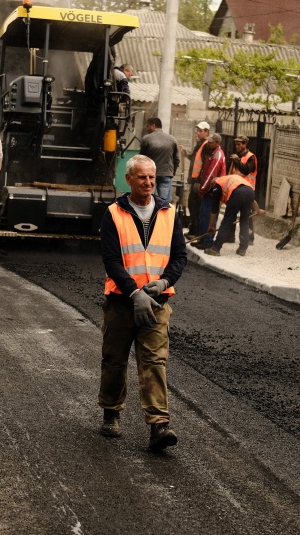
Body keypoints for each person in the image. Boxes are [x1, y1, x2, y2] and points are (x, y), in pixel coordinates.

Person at [99, 154, 187, 451]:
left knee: (154, 363)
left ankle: (159, 426)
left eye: (152, 177)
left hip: (157, 303)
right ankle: (111, 412)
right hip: (122, 302)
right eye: (142, 177)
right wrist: (134, 294)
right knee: (115, 360)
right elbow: (111, 260)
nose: (148, 182)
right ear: (129, 179)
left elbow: (179, 257)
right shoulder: (114, 213)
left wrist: (164, 283)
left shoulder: (170, 212)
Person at [203, 173, 256, 257]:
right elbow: (252, 200)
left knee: (227, 221)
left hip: (237, 194)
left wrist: (211, 226)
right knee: (244, 221)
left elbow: (214, 210)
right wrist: (258, 210)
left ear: (213, 184)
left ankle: (215, 248)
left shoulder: (217, 185)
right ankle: (242, 249)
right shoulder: (228, 179)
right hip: (250, 192)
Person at [194, 133, 227, 249]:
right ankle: (203, 239)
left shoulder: (216, 156)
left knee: (208, 216)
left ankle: (207, 241)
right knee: (204, 214)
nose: (208, 143)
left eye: (211, 142)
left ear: (217, 143)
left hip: (212, 191)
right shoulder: (213, 153)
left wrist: (202, 189)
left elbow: (210, 175)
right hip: (209, 190)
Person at [138, 117, 180, 203]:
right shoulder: (172, 139)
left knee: (148, 200)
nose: (147, 128)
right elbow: (177, 159)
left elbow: (141, 159)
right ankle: (162, 216)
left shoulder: (147, 139)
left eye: (148, 126)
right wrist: (171, 172)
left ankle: (150, 216)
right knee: (164, 202)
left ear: (153, 126)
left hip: (149, 175)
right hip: (166, 174)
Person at [185, 121, 210, 234]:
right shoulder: (199, 145)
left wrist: (200, 181)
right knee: (192, 205)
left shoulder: (206, 146)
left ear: (206, 132)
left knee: (195, 206)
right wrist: (187, 154)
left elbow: (205, 165)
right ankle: (194, 229)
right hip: (195, 180)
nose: (198, 133)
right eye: (198, 131)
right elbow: (196, 160)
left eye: (201, 131)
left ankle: (196, 231)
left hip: (199, 182)